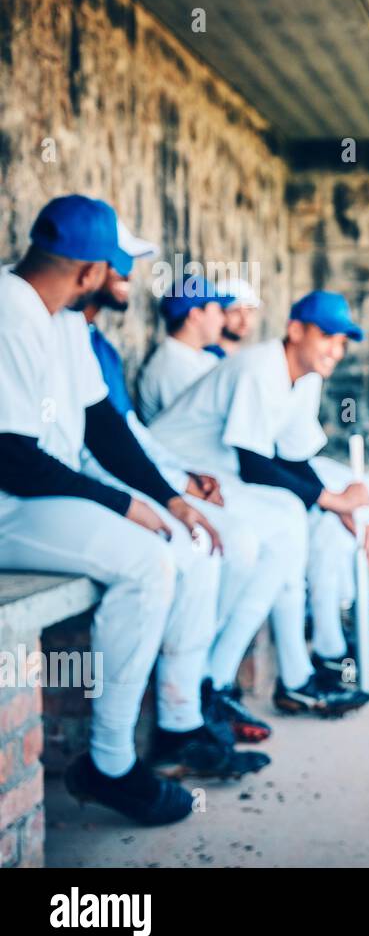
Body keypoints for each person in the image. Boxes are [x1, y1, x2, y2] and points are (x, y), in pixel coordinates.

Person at [0, 196, 255, 825]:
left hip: (38, 500)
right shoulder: (6, 310)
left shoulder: (62, 320)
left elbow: (103, 427)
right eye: (114, 265)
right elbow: (11, 459)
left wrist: (169, 500)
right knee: (147, 562)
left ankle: (177, 721)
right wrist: (124, 504)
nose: (124, 276)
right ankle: (110, 764)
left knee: (184, 542)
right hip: (9, 506)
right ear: (88, 271)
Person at [82, 225, 290, 743]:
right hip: (79, 487)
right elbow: (101, 443)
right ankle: (172, 715)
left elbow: (122, 430)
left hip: (145, 473)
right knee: (209, 545)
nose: (225, 317)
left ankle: (197, 695)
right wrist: (172, 486)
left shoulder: (96, 344)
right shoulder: (163, 361)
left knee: (254, 535)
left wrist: (179, 482)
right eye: (118, 264)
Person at [148, 291, 369, 702]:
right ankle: (242, 679)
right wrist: (330, 500)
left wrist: (334, 503)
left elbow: (294, 456)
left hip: (220, 476)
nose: (336, 350)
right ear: (295, 330)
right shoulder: (260, 366)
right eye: (327, 337)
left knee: (297, 525)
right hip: (175, 471)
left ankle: (245, 677)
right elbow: (254, 463)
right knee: (288, 522)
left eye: (342, 342)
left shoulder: (307, 377)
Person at [136, 275, 232, 422]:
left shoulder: (203, 356)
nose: (223, 320)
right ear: (195, 316)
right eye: (218, 310)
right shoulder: (170, 366)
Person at [207, 275, 261, 360]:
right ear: (218, 312)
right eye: (236, 311)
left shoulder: (249, 359)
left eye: (250, 310)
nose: (245, 320)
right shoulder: (204, 359)